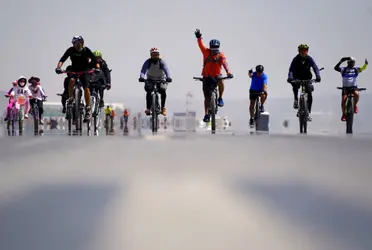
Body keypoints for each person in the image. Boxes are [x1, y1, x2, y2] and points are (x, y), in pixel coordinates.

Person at [55, 36, 100, 121]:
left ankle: (88, 108)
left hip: (85, 71)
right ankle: (71, 98)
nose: (78, 45)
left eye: (80, 43)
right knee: (71, 80)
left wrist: (97, 68)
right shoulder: (70, 50)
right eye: (76, 44)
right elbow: (62, 59)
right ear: (74, 44)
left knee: (86, 88)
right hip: (74, 70)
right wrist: (58, 67)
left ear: (82, 43)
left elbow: (95, 60)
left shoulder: (86, 50)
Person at [194, 29, 234, 123]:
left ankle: (220, 98)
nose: (214, 51)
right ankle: (206, 114)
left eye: (216, 49)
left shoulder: (221, 55)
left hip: (217, 76)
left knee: (222, 81)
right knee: (206, 97)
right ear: (210, 48)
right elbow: (200, 45)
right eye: (213, 49)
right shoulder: (206, 52)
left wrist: (228, 73)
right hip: (206, 77)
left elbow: (225, 64)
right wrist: (199, 37)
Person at [287, 44, 321, 121]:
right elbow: (291, 69)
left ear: (307, 51)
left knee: (309, 93)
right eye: (301, 51)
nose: (303, 52)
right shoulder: (296, 59)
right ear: (299, 51)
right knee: (294, 85)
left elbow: (315, 67)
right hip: (297, 78)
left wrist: (318, 76)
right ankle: (296, 100)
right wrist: (290, 77)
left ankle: (308, 112)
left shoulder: (309, 59)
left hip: (307, 78)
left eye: (305, 50)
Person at [138, 47, 172, 116]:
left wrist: (168, 77)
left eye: (156, 54)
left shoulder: (161, 62)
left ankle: (163, 108)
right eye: (153, 54)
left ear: (159, 55)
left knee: (163, 91)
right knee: (148, 91)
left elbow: (166, 70)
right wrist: (141, 77)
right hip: (150, 79)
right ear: (151, 55)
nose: (155, 56)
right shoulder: (148, 62)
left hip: (161, 79)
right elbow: (143, 70)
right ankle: (148, 108)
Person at [334, 57, 368, 121]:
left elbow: (363, 68)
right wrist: (341, 61)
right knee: (344, 100)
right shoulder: (343, 69)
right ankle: (343, 114)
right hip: (345, 88)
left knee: (357, 94)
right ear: (348, 62)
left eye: (353, 62)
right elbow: (335, 68)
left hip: (353, 87)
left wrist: (365, 64)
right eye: (351, 62)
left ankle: (355, 106)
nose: (352, 64)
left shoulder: (356, 69)